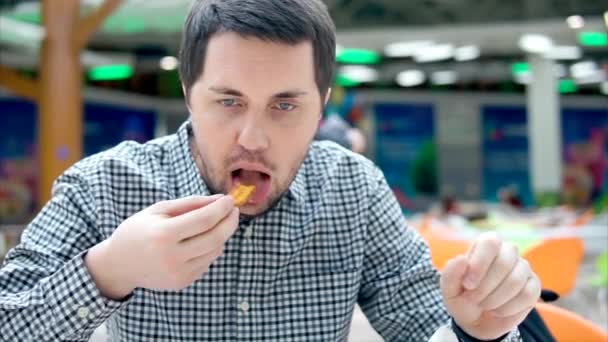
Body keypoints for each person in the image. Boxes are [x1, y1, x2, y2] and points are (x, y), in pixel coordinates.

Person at [0, 1, 540, 341]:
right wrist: (110, 270)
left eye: (285, 106)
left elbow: (427, 326)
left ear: (322, 104)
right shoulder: (104, 185)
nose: (253, 139)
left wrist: (479, 330)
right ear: (189, 94)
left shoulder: (353, 190)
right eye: (229, 101)